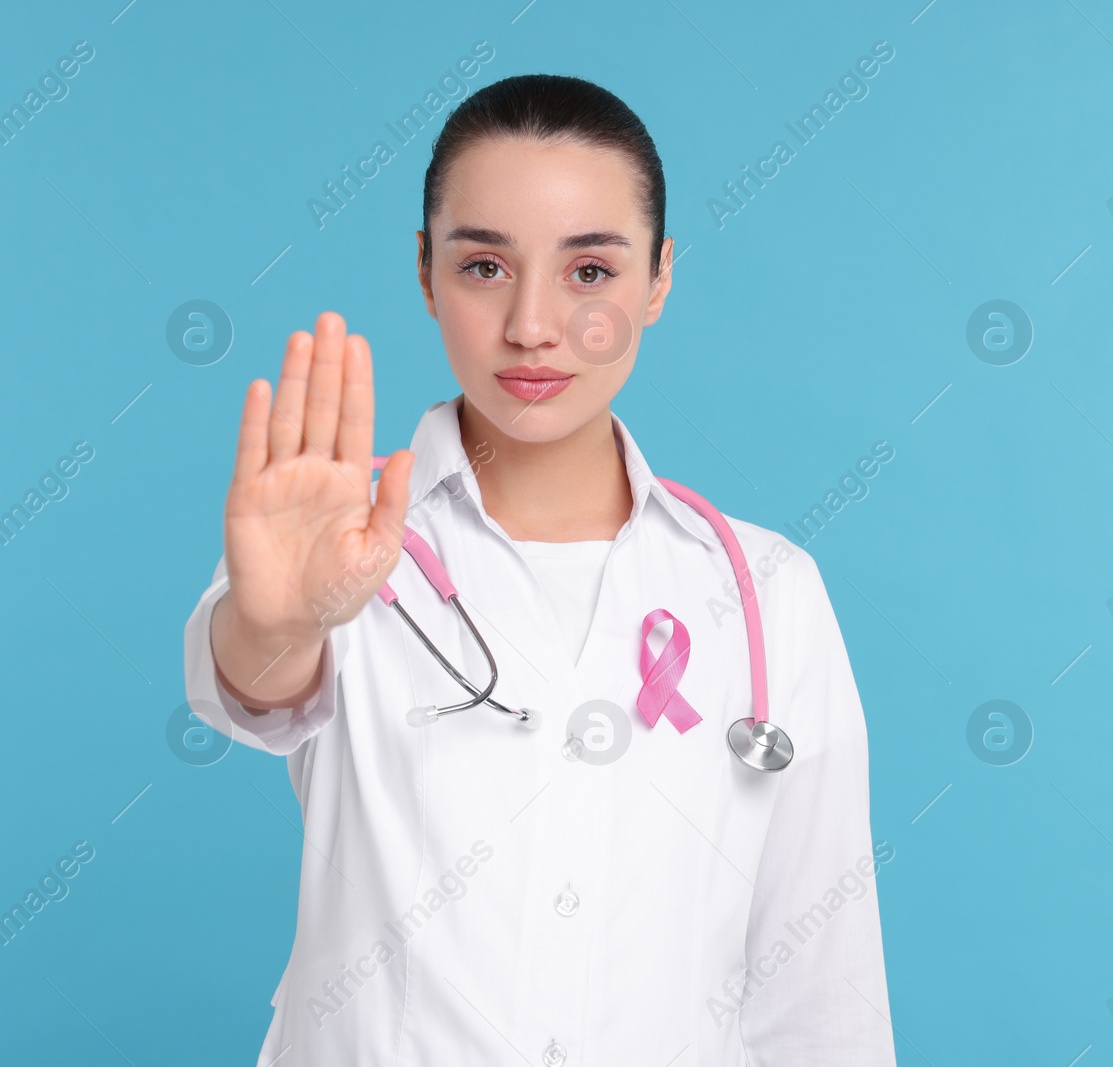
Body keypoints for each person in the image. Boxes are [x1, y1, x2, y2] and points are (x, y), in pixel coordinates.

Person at [182, 73, 896, 1066]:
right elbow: (254, 686)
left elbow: (819, 988)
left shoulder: (767, 588)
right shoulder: (340, 550)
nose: (532, 324)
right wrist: (277, 624)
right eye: (484, 266)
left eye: (590, 271)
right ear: (426, 273)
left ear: (659, 278)